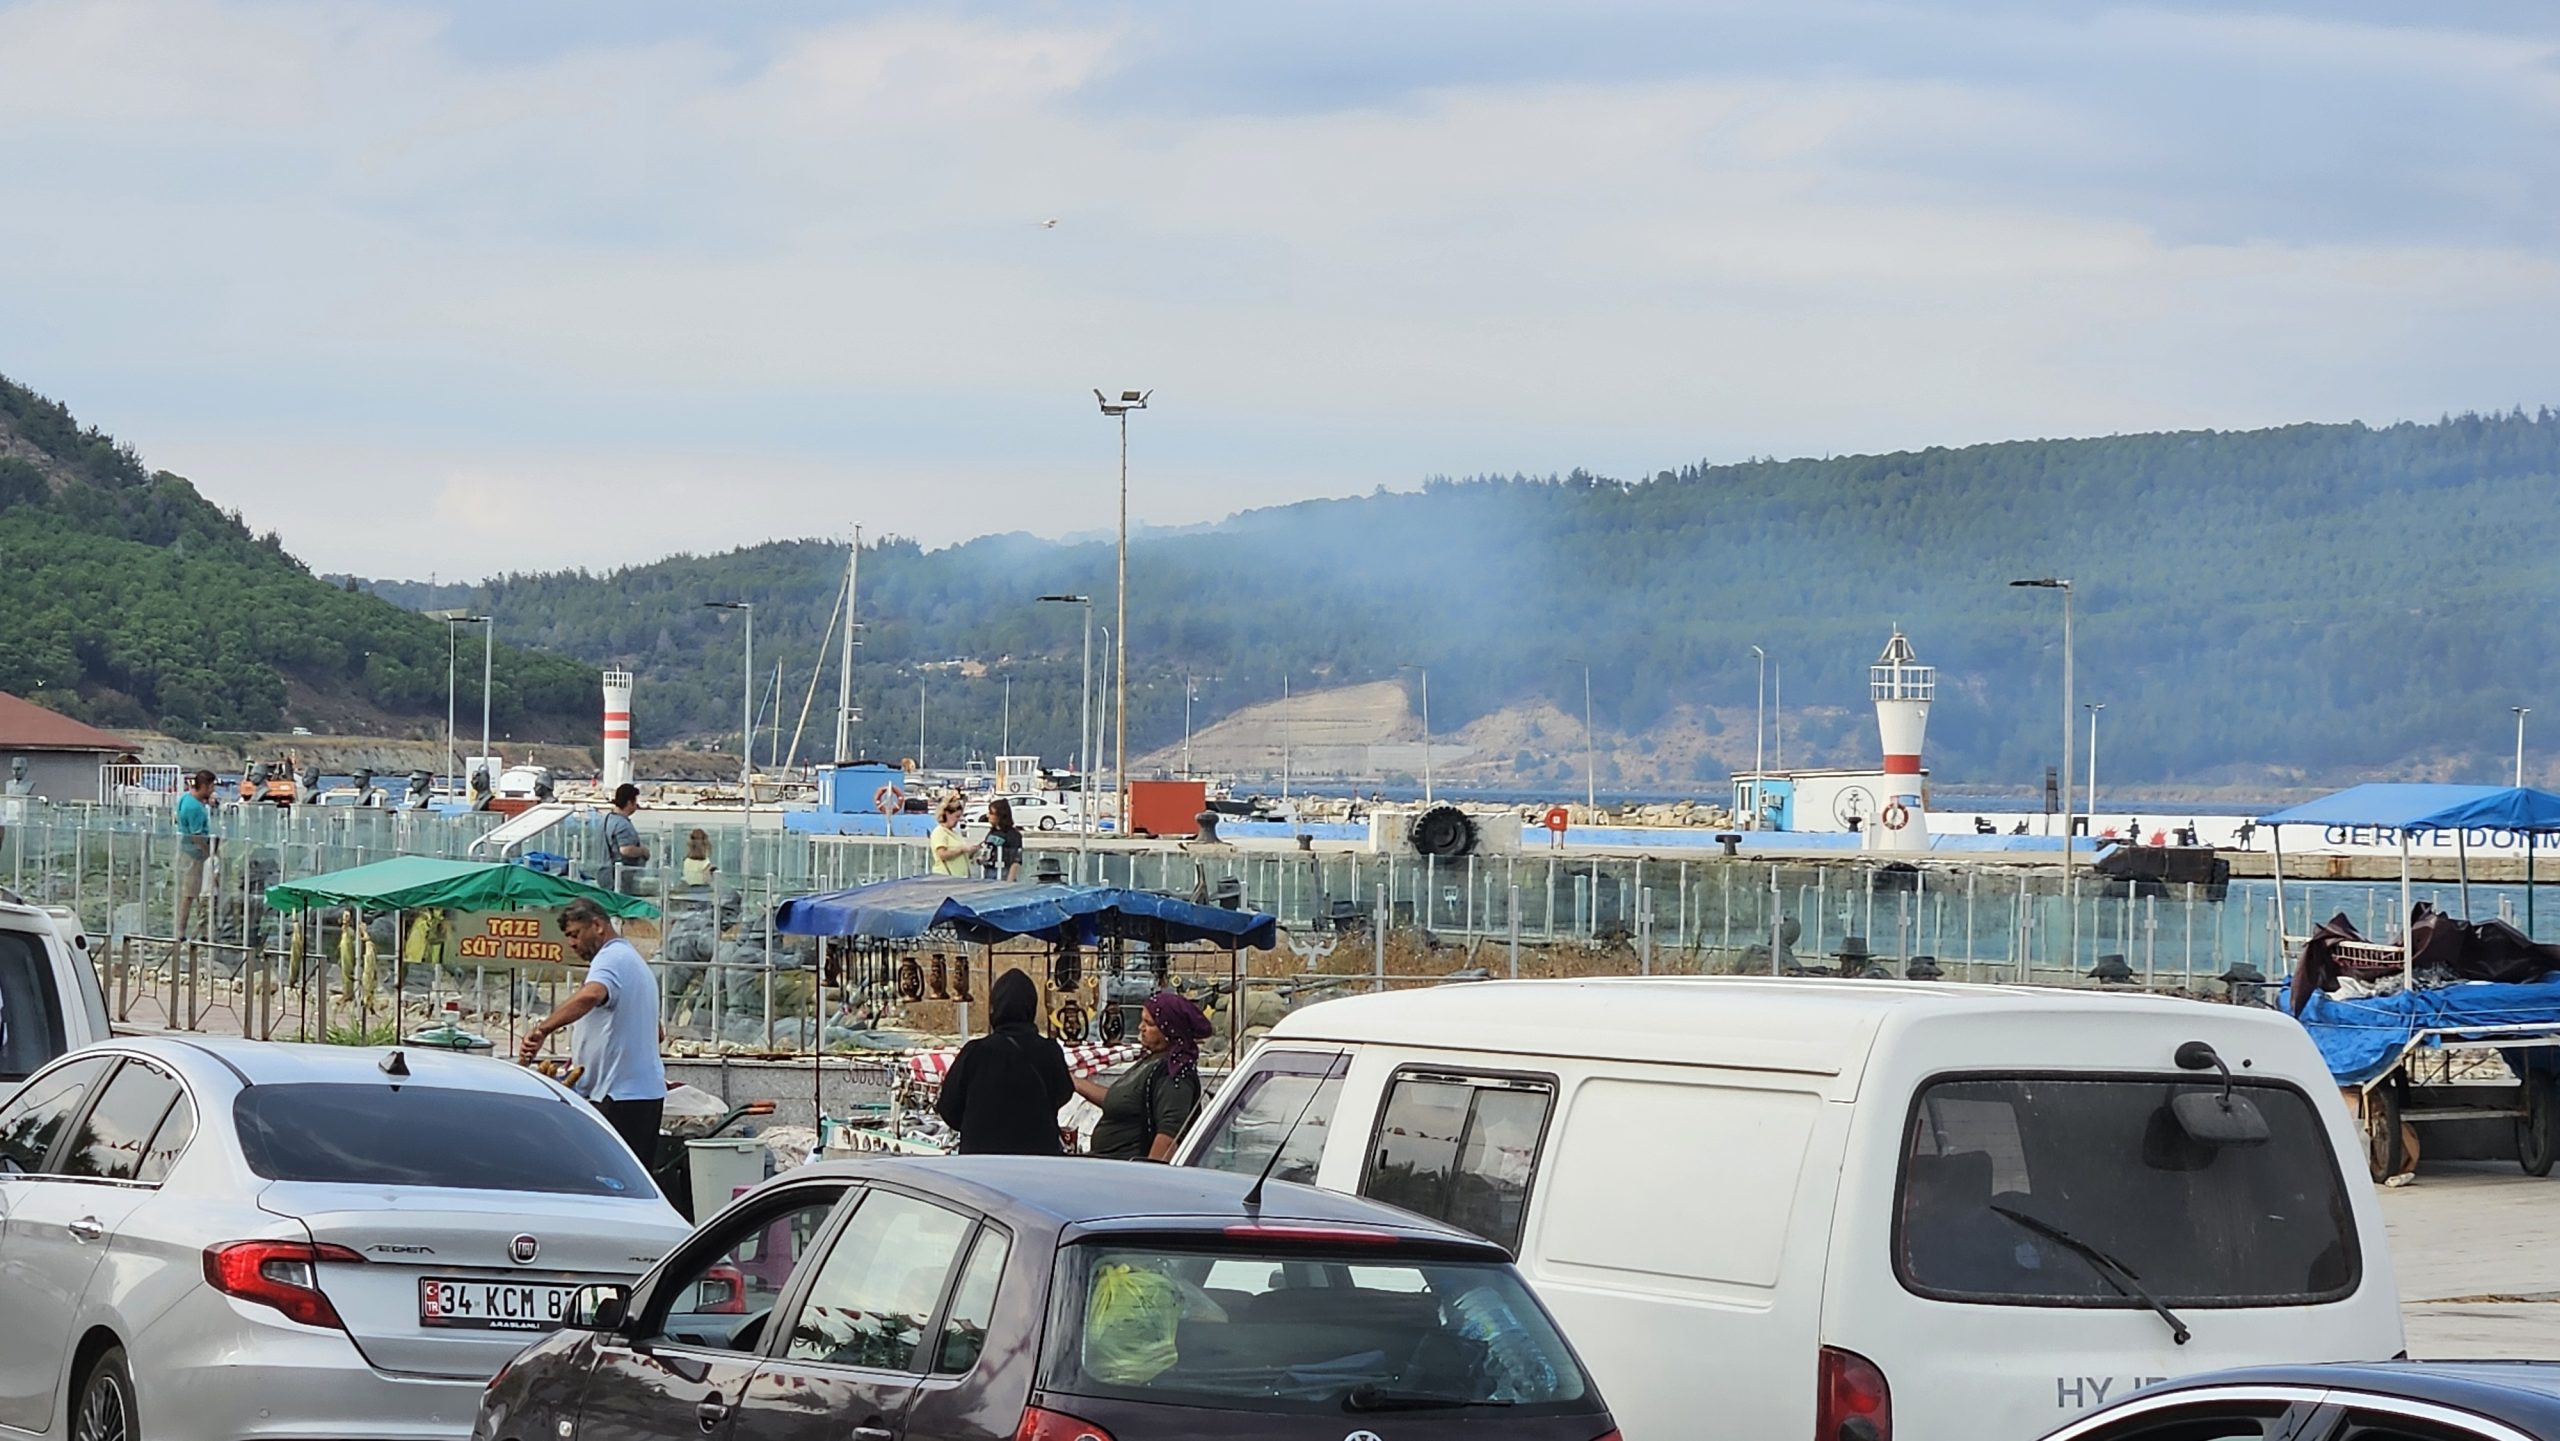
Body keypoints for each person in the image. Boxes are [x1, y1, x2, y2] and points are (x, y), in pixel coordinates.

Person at [520, 898, 668, 1168]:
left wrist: (543, 1029)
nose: (572, 944)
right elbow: (657, 1033)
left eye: (575, 935)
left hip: (620, 1097)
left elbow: (592, 994)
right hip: (639, 1094)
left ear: (598, 926)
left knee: (610, 1180)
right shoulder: (632, 961)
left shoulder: (611, 958)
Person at [935, 969, 1073, 1154]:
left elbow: (948, 1107)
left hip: (981, 1162)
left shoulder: (975, 1053)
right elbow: (1063, 1093)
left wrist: (980, 1126)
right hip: (1038, 1161)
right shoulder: (1049, 1051)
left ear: (995, 1007)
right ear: (1031, 1006)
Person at [1078, 991, 1212, 1161]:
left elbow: (1168, 1138)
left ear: (1169, 1030)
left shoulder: (1174, 1075)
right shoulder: (1152, 1060)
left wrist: (1147, 1179)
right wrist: (1075, 1082)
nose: (1141, 1027)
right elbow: (1118, 1100)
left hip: (1128, 1173)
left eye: (1149, 1023)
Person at [174, 770, 217, 939]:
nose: (212, 790)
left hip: (187, 851)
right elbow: (196, 835)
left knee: (194, 893)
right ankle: (183, 932)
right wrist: (209, 855)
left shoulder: (185, 798)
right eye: (211, 787)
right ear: (204, 786)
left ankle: (197, 930)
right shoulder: (195, 808)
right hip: (195, 854)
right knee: (192, 893)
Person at [601, 784, 650, 894]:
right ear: (629, 803)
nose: (636, 805)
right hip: (619, 876)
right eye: (635, 802)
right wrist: (643, 851)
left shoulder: (607, 819)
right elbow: (625, 849)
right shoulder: (622, 824)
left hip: (605, 873)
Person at [976, 797, 1024, 881]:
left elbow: (1015, 862)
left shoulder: (1013, 835)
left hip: (1003, 873)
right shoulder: (992, 832)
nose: (988, 816)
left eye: (991, 813)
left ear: (1000, 815)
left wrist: (1008, 882)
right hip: (987, 873)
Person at [929, 794, 972, 878]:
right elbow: (942, 854)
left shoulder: (954, 833)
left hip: (958, 877)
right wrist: (961, 849)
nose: (958, 820)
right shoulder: (939, 832)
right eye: (957, 816)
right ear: (947, 814)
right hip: (945, 877)